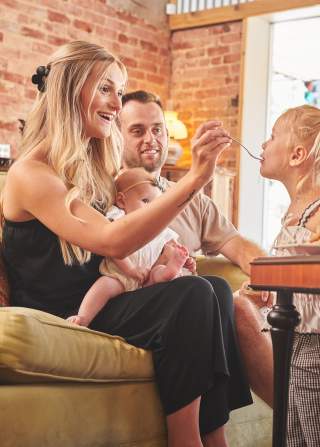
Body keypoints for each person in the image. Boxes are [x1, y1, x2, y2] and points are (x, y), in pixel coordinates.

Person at [0, 40, 251, 447]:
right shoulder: (31, 174)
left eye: (119, 92)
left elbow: (123, 247)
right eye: (106, 88)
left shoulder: (92, 172)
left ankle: (213, 436)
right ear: (69, 89)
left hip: (105, 302)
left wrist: (161, 264)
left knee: (216, 288)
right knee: (193, 296)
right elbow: (113, 241)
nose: (116, 104)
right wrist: (194, 180)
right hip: (66, 312)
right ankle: (185, 440)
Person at [119, 89, 273, 407]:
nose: (151, 139)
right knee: (223, 301)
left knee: (245, 304)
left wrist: (272, 275)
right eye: (137, 131)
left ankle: (296, 426)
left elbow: (236, 244)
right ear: (117, 137)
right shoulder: (114, 194)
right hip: (141, 307)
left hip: (193, 304)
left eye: (157, 129)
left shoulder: (193, 199)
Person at [257, 105, 320, 447]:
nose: (263, 145)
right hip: (292, 344)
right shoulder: (292, 214)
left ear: (297, 154)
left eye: (272, 136)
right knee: (291, 435)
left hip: (315, 347)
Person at [67, 167, 193, 327]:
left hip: (147, 277)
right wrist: (131, 270)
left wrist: (183, 258)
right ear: (121, 200)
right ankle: (83, 318)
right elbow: (114, 249)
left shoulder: (159, 228)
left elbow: (172, 247)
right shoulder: (119, 219)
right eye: (146, 201)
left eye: (156, 204)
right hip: (120, 276)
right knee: (103, 286)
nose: (151, 210)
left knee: (159, 272)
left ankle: (170, 271)